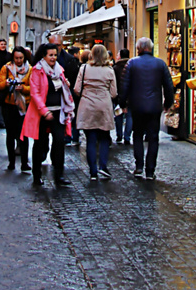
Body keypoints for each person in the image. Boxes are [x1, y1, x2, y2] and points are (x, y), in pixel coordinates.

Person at [120, 37, 175, 179]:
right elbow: (169, 86)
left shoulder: (131, 63)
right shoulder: (160, 64)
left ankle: (139, 166)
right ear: (151, 48)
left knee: (137, 135)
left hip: (137, 106)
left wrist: (123, 103)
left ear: (138, 48)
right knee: (153, 138)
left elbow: (124, 86)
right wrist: (168, 103)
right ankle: (150, 170)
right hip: (154, 107)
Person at [22, 43, 74, 188]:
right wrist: (44, 111)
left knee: (59, 142)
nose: (53, 58)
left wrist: (66, 84)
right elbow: (35, 93)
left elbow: (62, 87)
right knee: (40, 144)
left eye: (55, 55)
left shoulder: (59, 70)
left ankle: (59, 174)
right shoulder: (37, 70)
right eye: (50, 55)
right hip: (42, 114)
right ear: (44, 56)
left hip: (58, 112)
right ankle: (37, 175)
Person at [74, 45, 117, 181]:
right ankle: (103, 166)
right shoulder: (109, 70)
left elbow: (76, 89)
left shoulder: (84, 68)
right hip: (104, 106)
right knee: (104, 137)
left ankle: (93, 171)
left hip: (87, 106)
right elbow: (114, 93)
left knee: (91, 140)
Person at [0, 47, 31, 172]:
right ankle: (11, 161)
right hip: (9, 104)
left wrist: (23, 89)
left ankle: (24, 162)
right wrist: (5, 84)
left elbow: (32, 88)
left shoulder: (30, 70)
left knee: (23, 134)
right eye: (16, 58)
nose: (18, 60)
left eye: (21, 58)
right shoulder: (6, 69)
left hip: (23, 106)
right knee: (10, 134)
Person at [113, 48, 133, 145]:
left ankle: (119, 135)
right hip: (130, 94)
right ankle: (127, 136)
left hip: (118, 94)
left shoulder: (115, 67)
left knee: (118, 115)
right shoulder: (132, 66)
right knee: (129, 116)